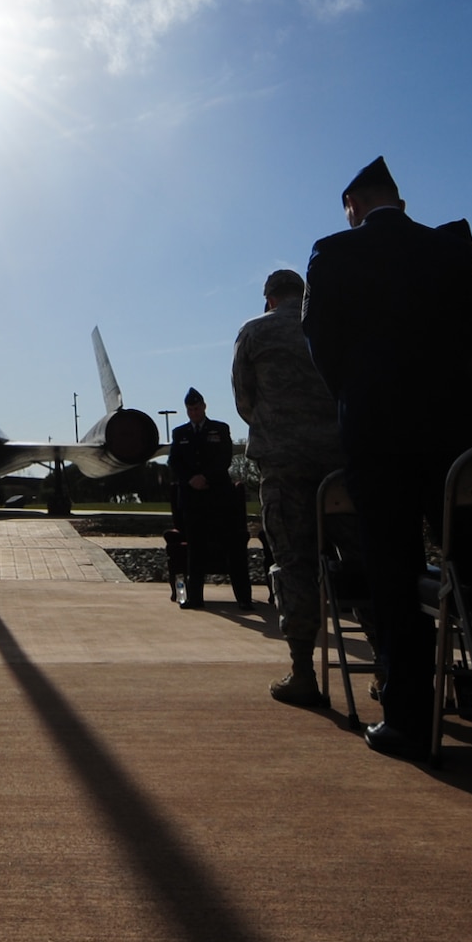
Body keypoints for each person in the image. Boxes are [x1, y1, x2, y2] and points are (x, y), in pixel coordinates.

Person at [303, 157, 472, 759]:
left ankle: (410, 718)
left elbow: (323, 345)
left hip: (377, 429)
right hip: (455, 426)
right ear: (401, 202)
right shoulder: (451, 249)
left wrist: (357, 398)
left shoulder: (333, 252)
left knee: (392, 571)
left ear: (353, 207)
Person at [232, 269, 343, 704]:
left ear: (269, 298)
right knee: (361, 561)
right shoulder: (331, 324)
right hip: (342, 468)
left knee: (294, 565)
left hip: (284, 468)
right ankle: (388, 674)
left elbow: (245, 401)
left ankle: (303, 673)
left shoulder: (255, 331)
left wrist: (279, 428)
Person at [167, 389, 249, 608]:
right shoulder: (180, 433)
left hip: (218, 499)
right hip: (192, 500)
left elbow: (224, 459)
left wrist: (206, 478)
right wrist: (191, 479)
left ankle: (244, 598)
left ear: (204, 407)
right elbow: (174, 462)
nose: (193, 412)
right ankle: (191, 597)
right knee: (194, 550)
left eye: (197, 408)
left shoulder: (220, 429)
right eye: (190, 409)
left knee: (232, 546)